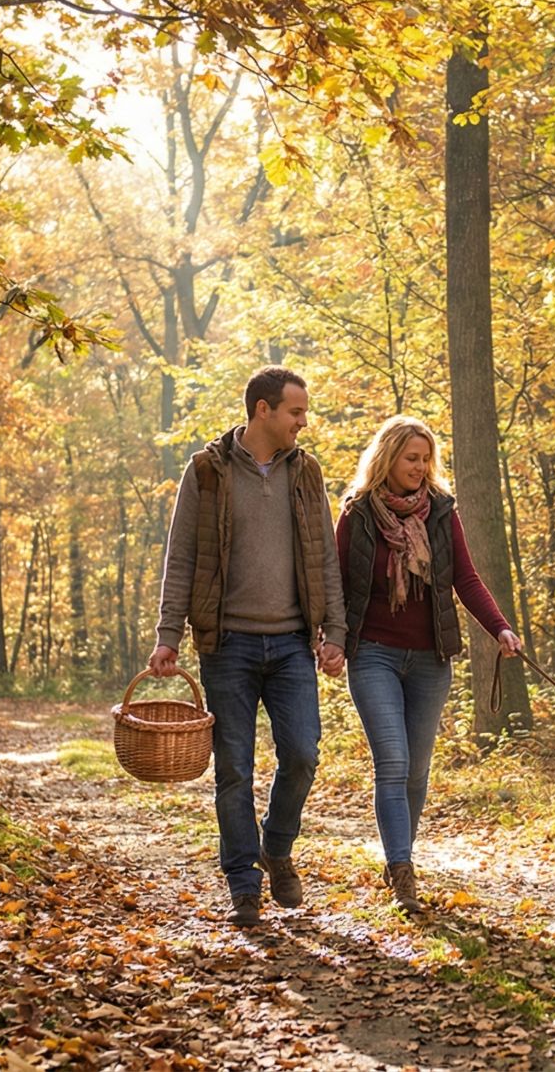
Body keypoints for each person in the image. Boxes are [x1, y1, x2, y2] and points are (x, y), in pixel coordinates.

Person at [150, 366, 347, 928]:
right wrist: (168, 636)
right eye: (296, 413)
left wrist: (335, 634)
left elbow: (324, 561)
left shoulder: (306, 473)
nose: (302, 424)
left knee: (303, 753)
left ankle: (276, 846)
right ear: (264, 410)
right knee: (234, 768)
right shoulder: (208, 471)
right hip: (227, 644)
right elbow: (181, 557)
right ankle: (243, 882)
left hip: (290, 644)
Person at [336, 416, 521, 913]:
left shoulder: (441, 512)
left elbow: (466, 578)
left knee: (417, 771)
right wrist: (327, 639)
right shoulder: (357, 514)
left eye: (425, 459)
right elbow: (333, 585)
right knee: (392, 763)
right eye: (410, 458)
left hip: (430, 659)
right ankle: (402, 873)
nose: (419, 467)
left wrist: (500, 627)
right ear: (387, 458)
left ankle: (400, 857)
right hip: (372, 652)